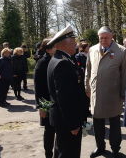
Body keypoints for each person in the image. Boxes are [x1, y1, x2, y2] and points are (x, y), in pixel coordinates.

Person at [85, 26, 126, 158]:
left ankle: (115, 148)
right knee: (97, 123)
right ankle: (100, 147)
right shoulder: (92, 49)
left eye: (106, 37)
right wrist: (87, 88)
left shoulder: (122, 51)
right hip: (96, 94)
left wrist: (123, 93)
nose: (103, 40)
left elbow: (125, 74)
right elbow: (88, 70)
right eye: (101, 37)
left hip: (113, 94)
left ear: (112, 36)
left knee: (115, 124)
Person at [47, 25, 86, 158]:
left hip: (62, 119)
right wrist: (73, 124)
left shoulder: (59, 59)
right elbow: (65, 98)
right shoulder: (63, 63)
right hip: (67, 120)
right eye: (74, 42)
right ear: (64, 44)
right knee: (70, 153)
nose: (76, 45)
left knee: (61, 151)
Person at [34, 38, 58, 158]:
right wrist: (42, 107)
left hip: (57, 103)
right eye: (55, 46)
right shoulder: (42, 63)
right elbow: (39, 87)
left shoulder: (57, 59)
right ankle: (48, 154)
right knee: (49, 131)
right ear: (48, 49)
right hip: (47, 103)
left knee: (58, 131)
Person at [75, 41, 91, 117]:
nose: (89, 48)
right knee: (84, 95)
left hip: (89, 77)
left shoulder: (90, 55)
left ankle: (87, 110)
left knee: (88, 95)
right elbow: (78, 66)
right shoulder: (79, 56)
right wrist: (83, 69)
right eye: (87, 47)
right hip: (83, 78)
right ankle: (84, 111)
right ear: (84, 48)